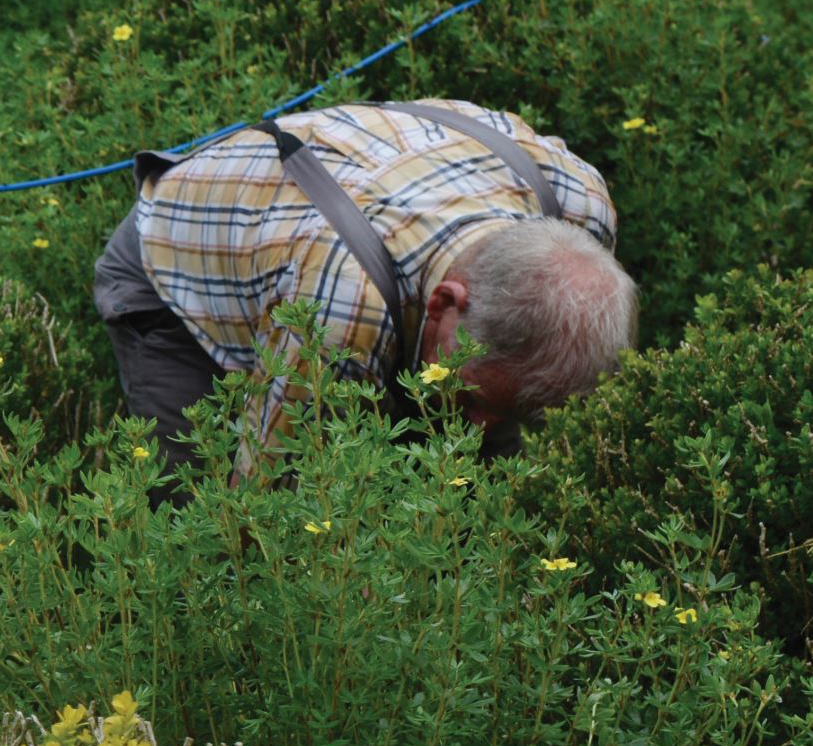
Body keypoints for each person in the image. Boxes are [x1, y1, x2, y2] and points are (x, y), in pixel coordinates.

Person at [93, 98, 635, 480]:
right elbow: (267, 500)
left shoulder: (576, 203)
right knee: (195, 496)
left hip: (337, 223)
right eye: (473, 402)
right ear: (445, 302)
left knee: (472, 481)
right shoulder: (339, 312)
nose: (475, 429)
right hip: (178, 263)